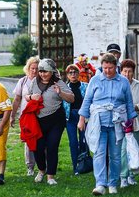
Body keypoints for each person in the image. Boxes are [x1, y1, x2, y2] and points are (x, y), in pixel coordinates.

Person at [77, 52, 137, 196]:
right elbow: (87, 100)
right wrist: (81, 119)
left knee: (115, 155)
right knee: (99, 153)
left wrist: (131, 120)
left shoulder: (123, 82)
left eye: (110, 68)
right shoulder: (95, 81)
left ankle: (113, 183)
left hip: (117, 123)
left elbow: (129, 102)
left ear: (116, 67)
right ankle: (100, 184)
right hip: (99, 122)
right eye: (105, 68)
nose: (107, 71)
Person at [26, 58, 75, 186]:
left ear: (52, 71)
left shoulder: (59, 83)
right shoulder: (34, 82)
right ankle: (41, 170)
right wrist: (31, 97)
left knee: (52, 146)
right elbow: (27, 96)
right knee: (38, 148)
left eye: (46, 71)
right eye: (40, 71)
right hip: (38, 121)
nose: (42, 74)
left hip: (55, 120)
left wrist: (60, 93)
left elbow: (71, 99)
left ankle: (50, 176)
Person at [119, 59, 139, 187]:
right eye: (125, 71)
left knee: (135, 149)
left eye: (130, 72)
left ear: (133, 72)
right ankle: (123, 177)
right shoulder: (118, 85)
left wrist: (136, 107)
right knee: (123, 151)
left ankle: (132, 175)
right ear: (121, 72)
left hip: (137, 123)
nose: (127, 74)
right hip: (122, 123)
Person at [10, 55, 40, 176]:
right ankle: (30, 166)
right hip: (26, 116)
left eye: (37, 68)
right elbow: (17, 99)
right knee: (28, 141)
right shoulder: (22, 82)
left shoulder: (42, 81)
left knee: (41, 140)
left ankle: (43, 165)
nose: (34, 71)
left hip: (39, 115)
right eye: (32, 68)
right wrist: (12, 115)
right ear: (28, 68)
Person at [62, 63, 88, 174]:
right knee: (73, 142)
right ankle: (75, 166)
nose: (73, 75)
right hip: (70, 117)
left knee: (84, 140)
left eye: (75, 72)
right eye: (70, 73)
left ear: (78, 73)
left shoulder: (85, 86)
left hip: (82, 115)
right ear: (67, 75)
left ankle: (85, 163)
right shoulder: (65, 88)